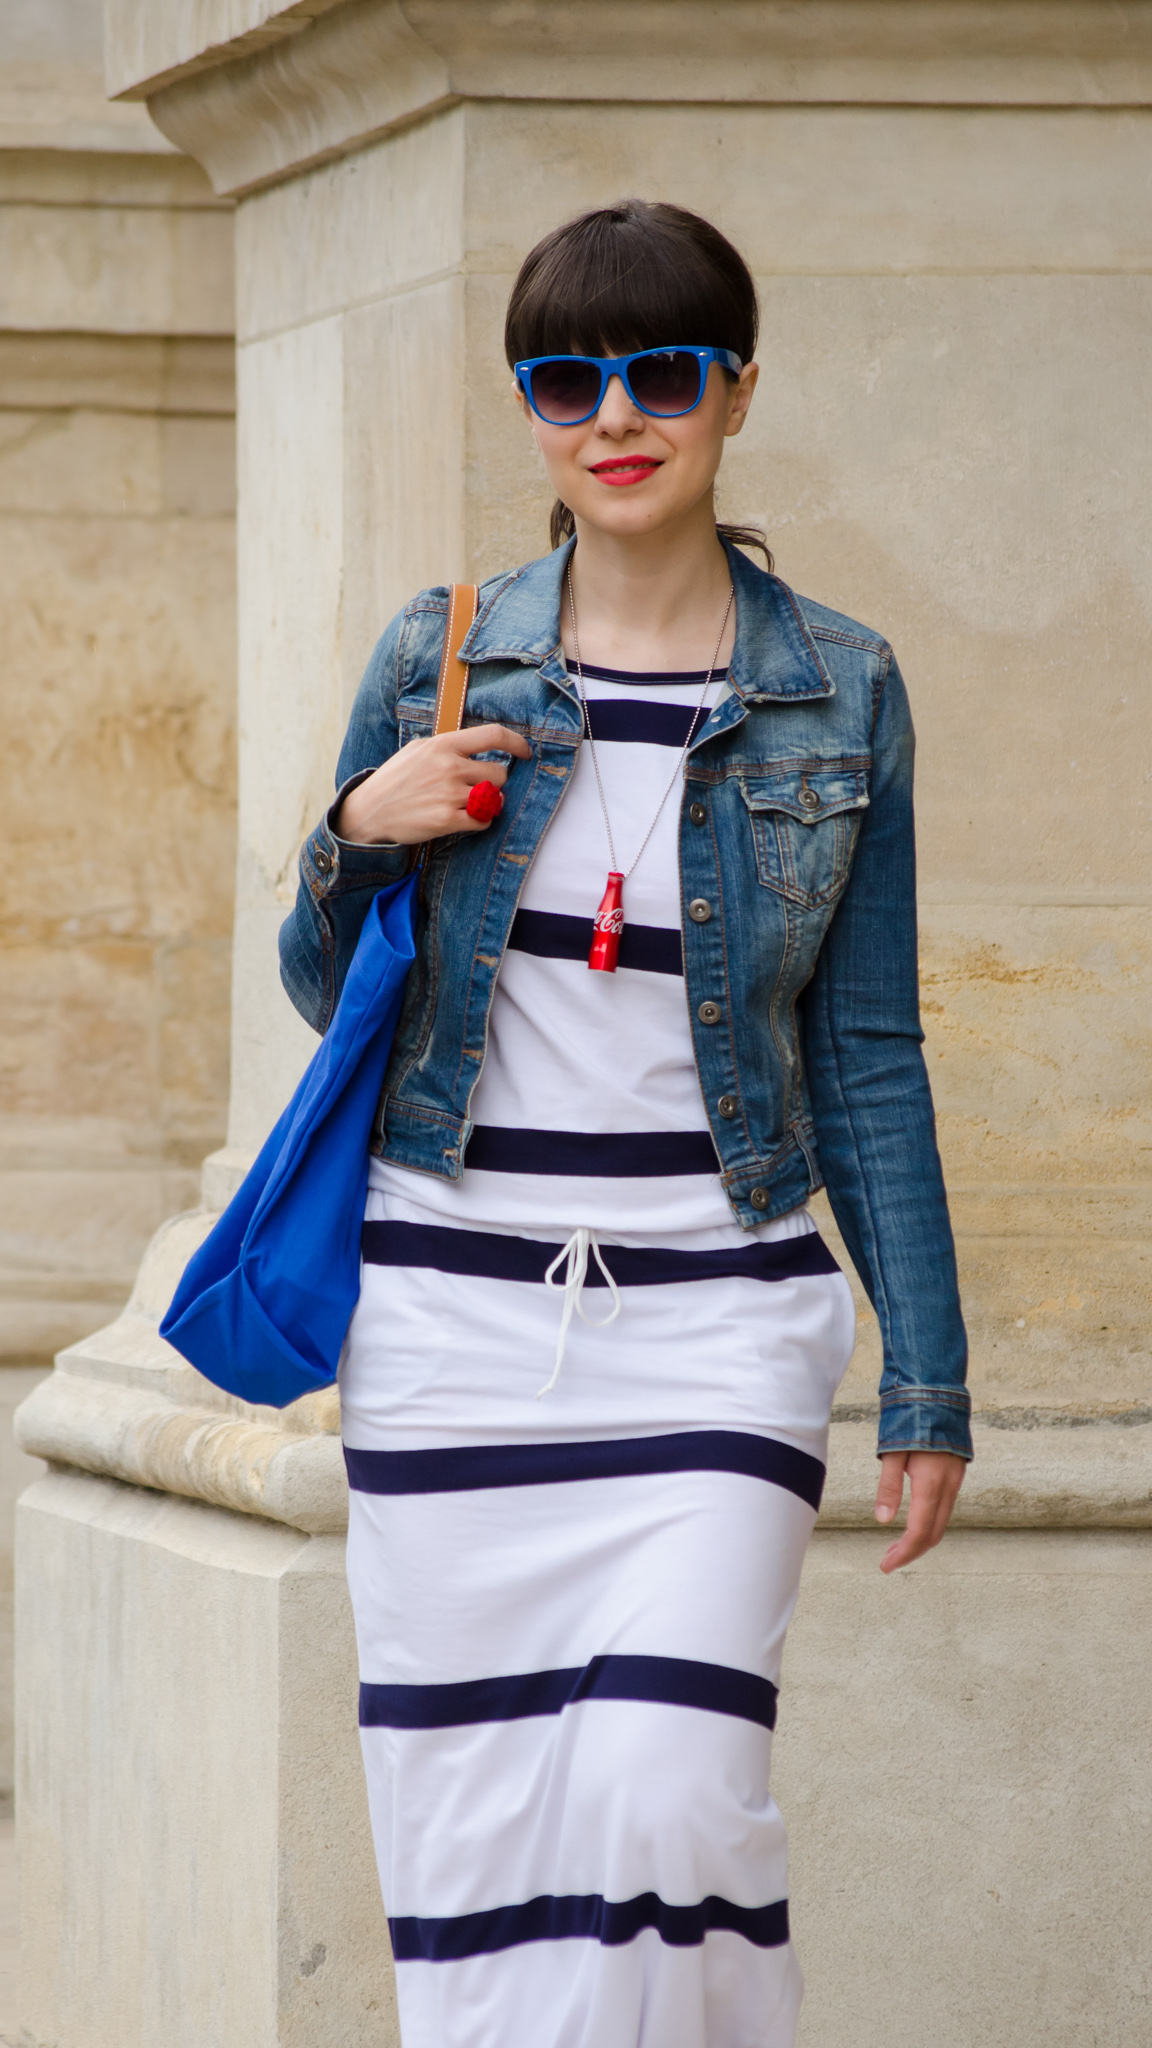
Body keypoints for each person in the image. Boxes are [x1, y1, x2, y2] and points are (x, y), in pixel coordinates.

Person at [280, 198, 969, 2048]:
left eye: (663, 371)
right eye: (565, 381)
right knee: (482, 1844)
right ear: (529, 410)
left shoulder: (845, 687)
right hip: (455, 1324)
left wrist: (929, 1376)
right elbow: (315, 981)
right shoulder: (442, 657)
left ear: (737, 390)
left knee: (670, 1790)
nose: (616, 415)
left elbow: (871, 1052)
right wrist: (361, 825)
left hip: (718, 1319)